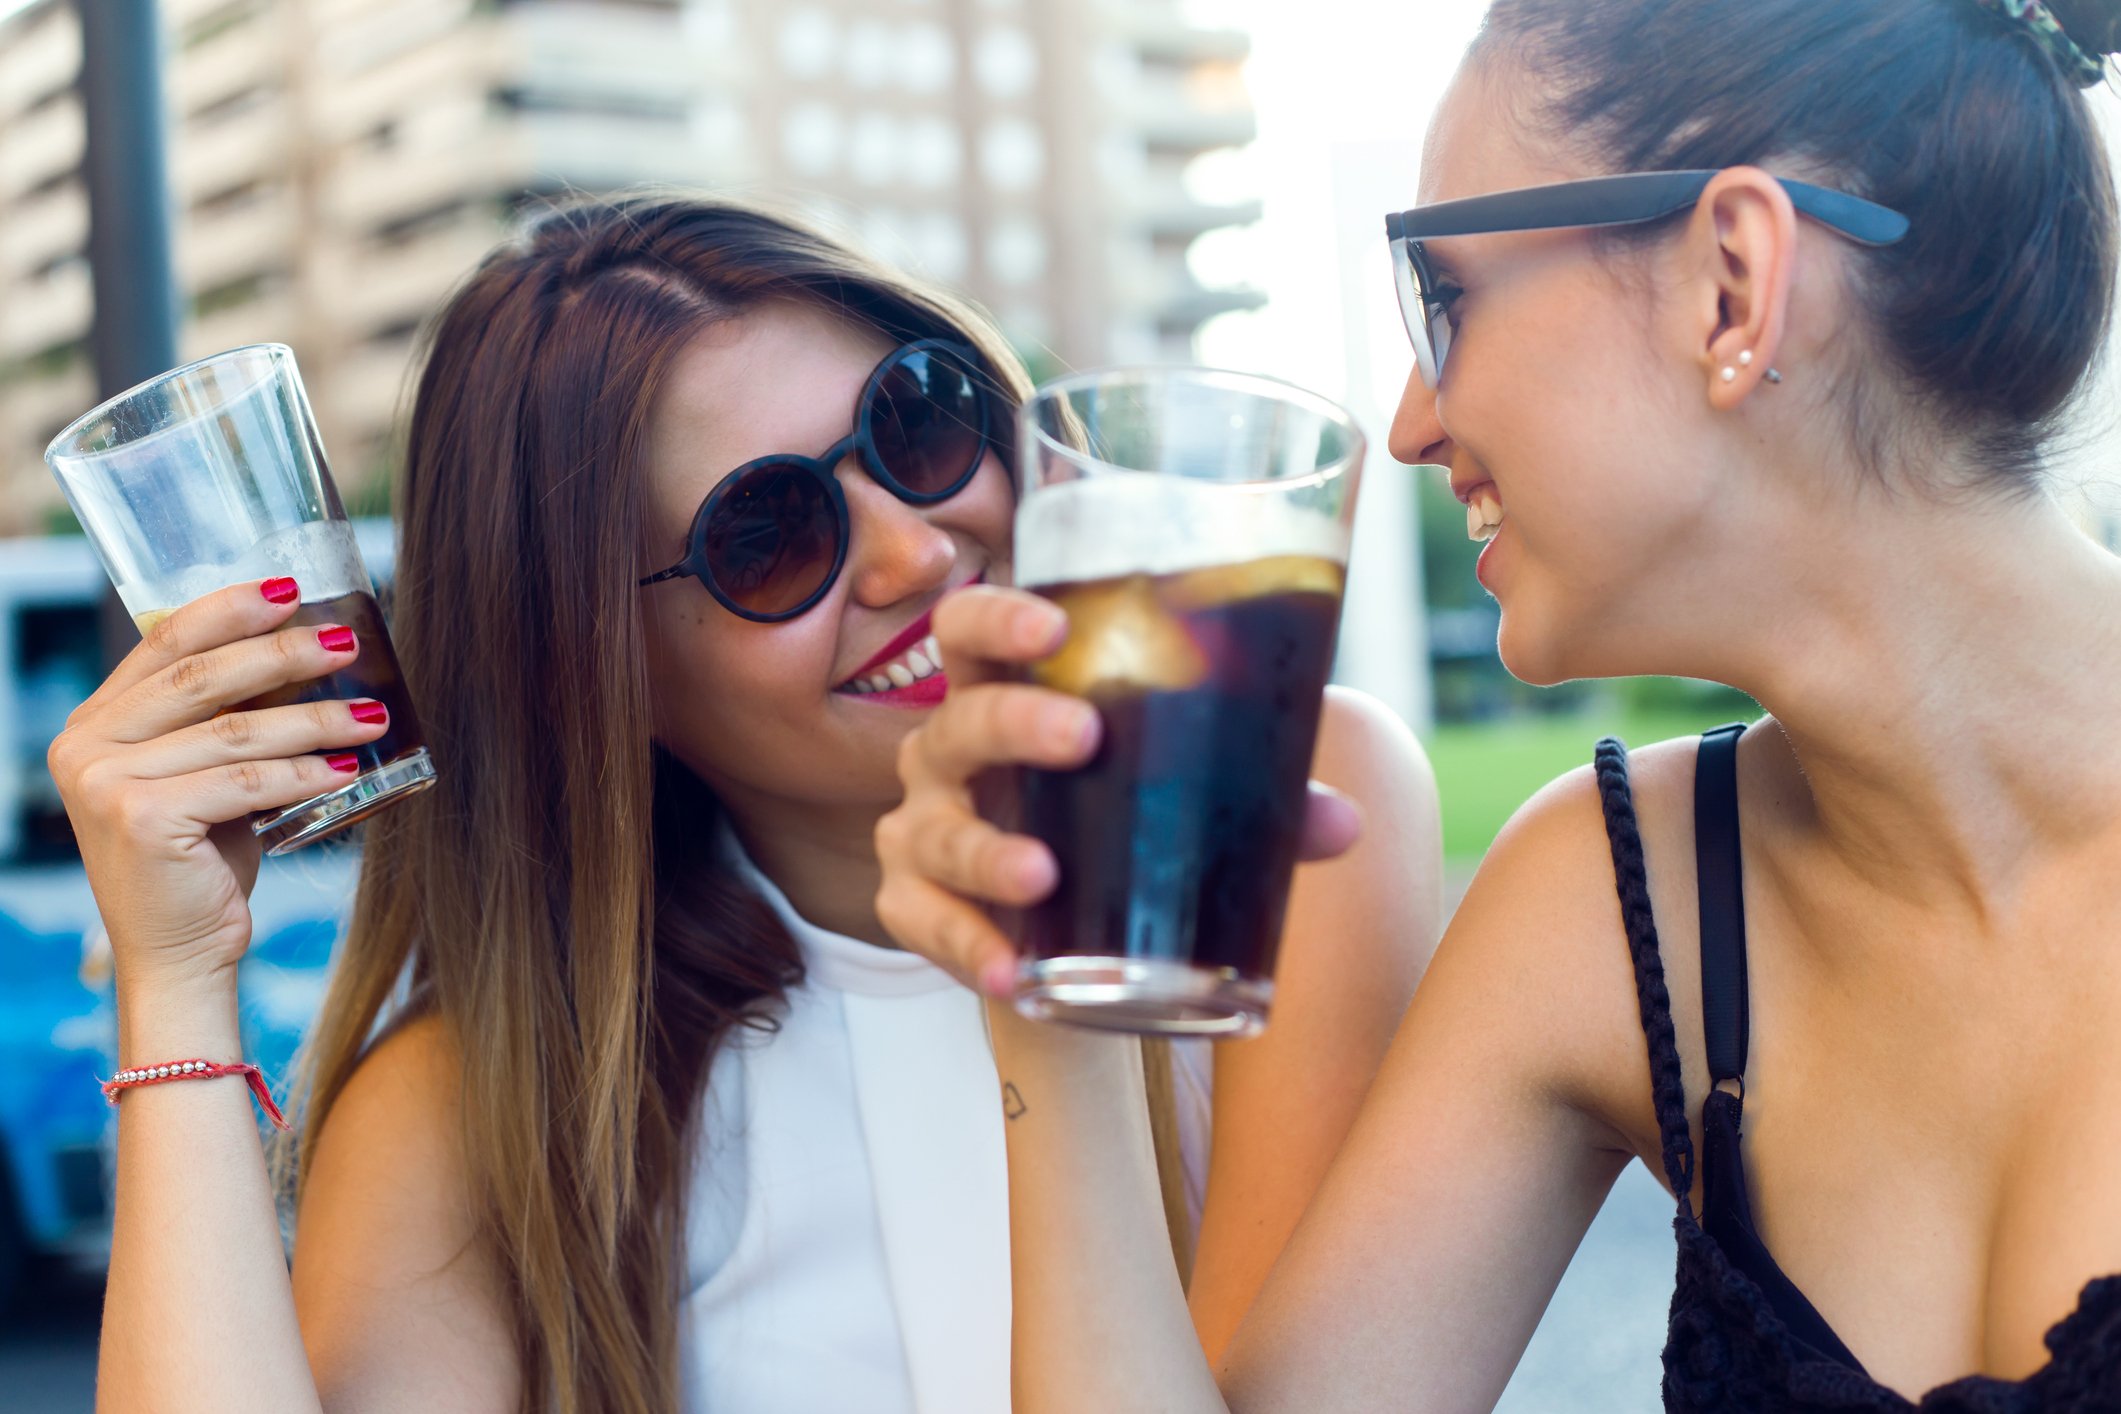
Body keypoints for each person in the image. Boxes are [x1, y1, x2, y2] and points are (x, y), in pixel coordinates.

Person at [873, 0, 2121, 1407]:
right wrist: (1048, 997)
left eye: (1444, 300)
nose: (1406, 421)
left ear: (1730, 281)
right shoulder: (1610, 897)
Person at [47, 195, 1440, 1413]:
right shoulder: (492, 1102)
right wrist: (173, 981)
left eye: (917, 423)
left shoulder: (1288, 810)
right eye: (766, 538)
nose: (915, 546)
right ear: (594, 672)